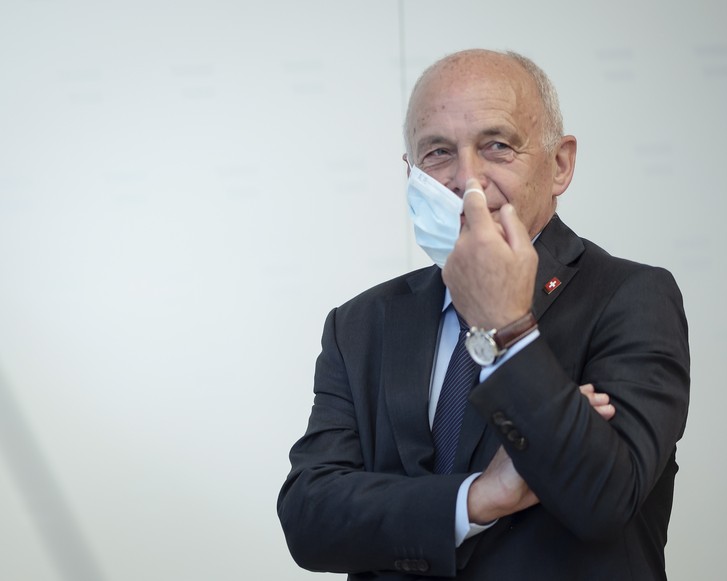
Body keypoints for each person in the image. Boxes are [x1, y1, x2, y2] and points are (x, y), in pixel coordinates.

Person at [277, 48, 690, 580]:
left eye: (497, 146)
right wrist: (478, 497)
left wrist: (508, 326)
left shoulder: (632, 297)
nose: (466, 181)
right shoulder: (360, 324)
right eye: (438, 153)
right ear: (411, 173)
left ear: (560, 164)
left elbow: (602, 499)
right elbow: (309, 519)